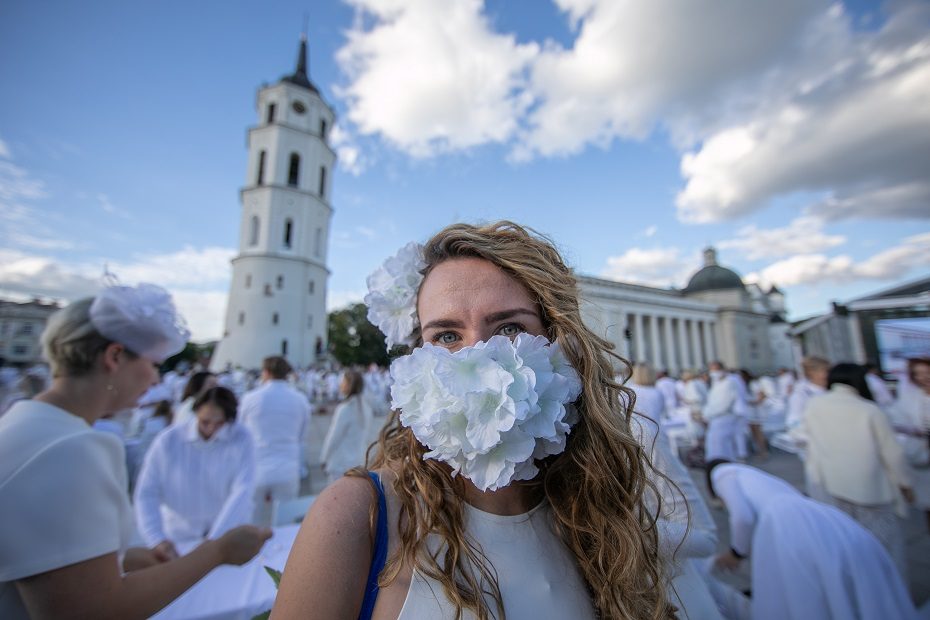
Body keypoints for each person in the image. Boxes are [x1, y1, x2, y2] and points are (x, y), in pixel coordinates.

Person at [273, 222, 675, 618]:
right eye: (447, 336)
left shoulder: (599, 518)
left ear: (560, 344)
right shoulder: (356, 516)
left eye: (510, 328)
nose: (479, 357)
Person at [0, 285, 270, 619]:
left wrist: (123, 559)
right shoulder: (72, 448)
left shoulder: (26, 424)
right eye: (154, 363)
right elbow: (93, 611)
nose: (156, 378)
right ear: (114, 357)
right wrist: (218, 552)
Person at [707, 461, 917, 620]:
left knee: (803, 594)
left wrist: (737, 553)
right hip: (815, 517)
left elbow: (743, 517)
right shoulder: (752, 474)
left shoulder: (722, 473)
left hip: (788, 523)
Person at [801, 363, 914, 578]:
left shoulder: (815, 405)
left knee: (847, 546)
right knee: (884, 548)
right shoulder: (869, 409)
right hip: (871, 490)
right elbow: (893, 454)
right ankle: (891, 597)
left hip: (831, 487)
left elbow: (805, 435)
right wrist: (905, 484)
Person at [134, 386, 257, 554]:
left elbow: (243, 490)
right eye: (205, 422)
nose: (212, 429)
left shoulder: (241, 437)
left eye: (219, 423)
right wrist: (156, 538)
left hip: (226, 535)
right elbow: (147, 492)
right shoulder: (169, 441)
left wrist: (214, 539)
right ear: (196, 412)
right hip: (179, 538)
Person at [239, 356, 311, 526]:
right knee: (284, 525)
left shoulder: (251, 398)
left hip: (257, 466)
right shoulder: (299, 399)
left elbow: (241, 432)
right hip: (288, 467)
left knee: (253, 523)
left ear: (266, 372)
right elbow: (302, 435)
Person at [891, 357, 930, 532]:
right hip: (923, 457)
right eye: (918, 374)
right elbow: (894, 419)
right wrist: (914, 431)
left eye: (926, 372)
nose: (923, 377)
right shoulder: (911, 397)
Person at [321, 369, 375, 484]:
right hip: (358, 461)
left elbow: (334, 437)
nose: (340, 384)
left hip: (341, 462)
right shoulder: (366, 407)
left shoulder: (345, 408)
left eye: (343, 381)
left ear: (348, 385)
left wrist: (324, 457)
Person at [702, 361, 742, 462]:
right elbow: (711, 401)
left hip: (724, 417)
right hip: (715, 418)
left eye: (715, 370)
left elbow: (725, 404)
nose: (713, 372)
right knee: (715, 444)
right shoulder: (717, 383)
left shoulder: (730, 382)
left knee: (722, 444)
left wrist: (709, 414)